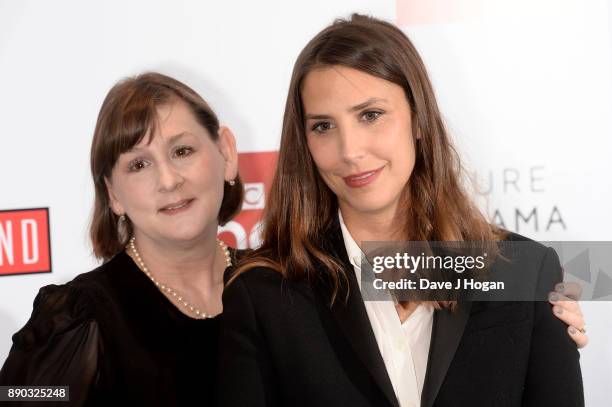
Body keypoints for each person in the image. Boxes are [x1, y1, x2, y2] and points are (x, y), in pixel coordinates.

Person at [218, 14, 585, 407]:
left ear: (418, 118)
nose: (350, 151)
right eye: (323, 126)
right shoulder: (262, 294)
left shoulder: (525, 272)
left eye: (370, 115)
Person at [0, 72, 242, 406]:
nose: (168, 180)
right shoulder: (82, 318)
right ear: (113, 193)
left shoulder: (280, 285)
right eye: (139, 164)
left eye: (182, 151)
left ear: (226, 153)